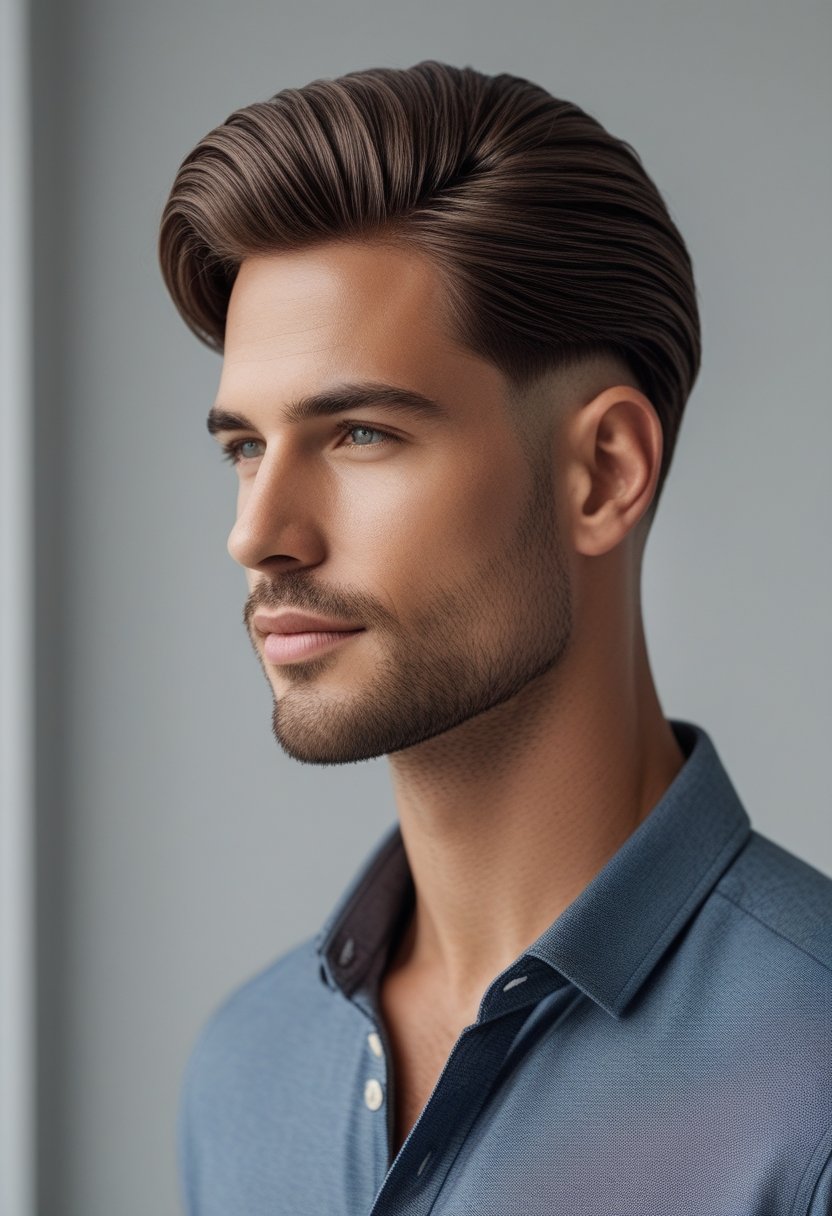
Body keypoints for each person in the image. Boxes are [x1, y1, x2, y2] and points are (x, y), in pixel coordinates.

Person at [158, 61, 832, 1216]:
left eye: (359, 432)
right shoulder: (245, 1070)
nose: (256, 532)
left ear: (601, 472)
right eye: (245, 447)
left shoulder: (811, 1077)